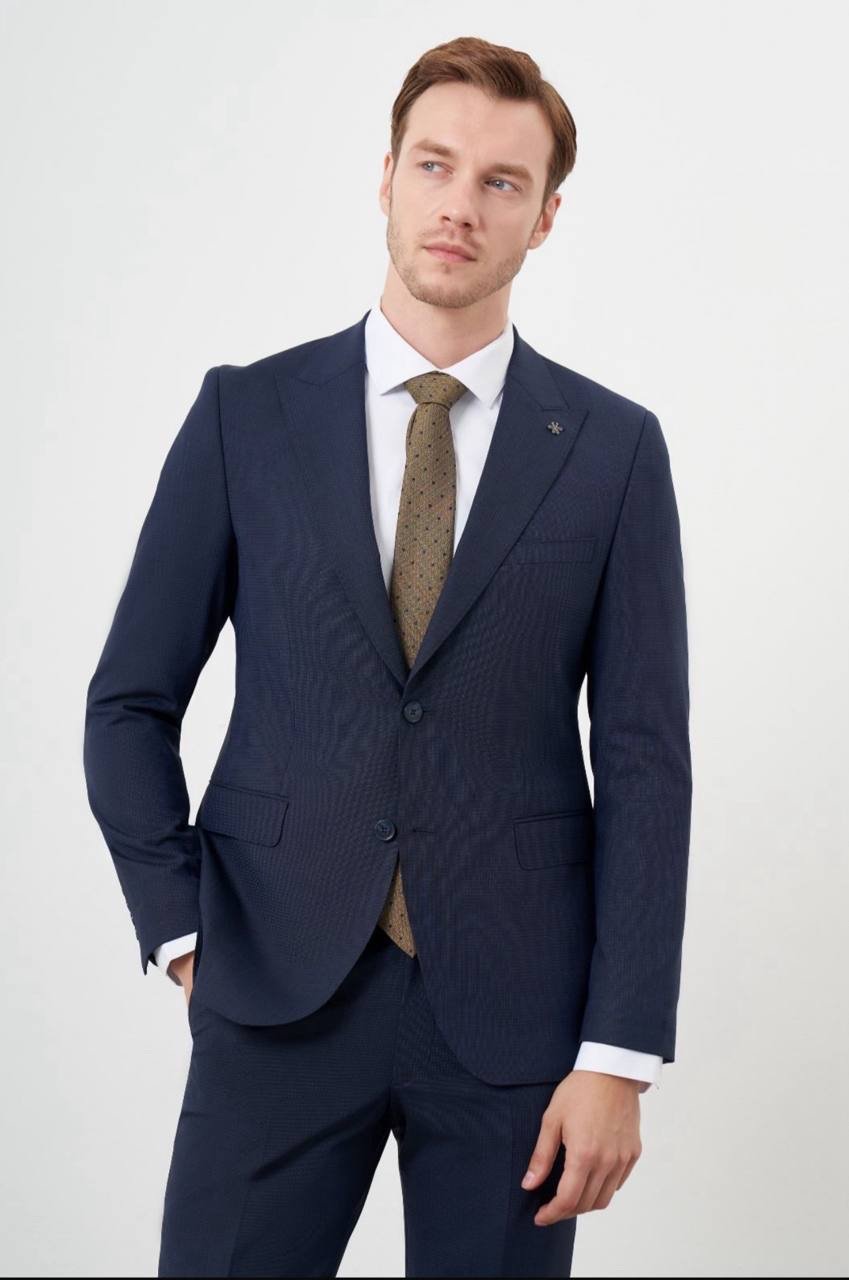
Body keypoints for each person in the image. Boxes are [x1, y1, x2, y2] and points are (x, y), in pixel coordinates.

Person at [83, 34, 692, 1278]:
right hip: (272, 986)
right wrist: (182, 931)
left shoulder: (615, 450)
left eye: (502, 181)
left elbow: (645, 762)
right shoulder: (247, 415)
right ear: (386, 178)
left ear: (546, 217)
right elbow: (129, 703)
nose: (460, 205)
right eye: (435, 165)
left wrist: (619, 1053)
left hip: (518, 1017)